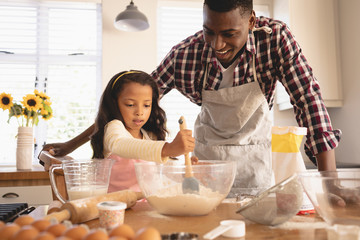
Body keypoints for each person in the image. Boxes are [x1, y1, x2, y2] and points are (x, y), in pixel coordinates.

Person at [40, 0, 341, 196]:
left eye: (229, 33)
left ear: (250, 23)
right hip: (207, 168)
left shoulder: (275, 39)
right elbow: (125, 103)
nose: (217, 44)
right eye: (209, 31)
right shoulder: (187, 53)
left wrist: (331, 183)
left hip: (255, 163)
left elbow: (308, 100)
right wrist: (70, 145)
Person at [90, 70, 195, 191]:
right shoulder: (114, 128)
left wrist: (186, 169)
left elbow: (163, 173)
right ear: (114, 103)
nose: (139, 112)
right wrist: (168, 149)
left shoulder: (149, 136)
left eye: (146, 105)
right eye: (130, 104)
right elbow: (120, 144)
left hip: (147, 206)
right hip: (116, 207)